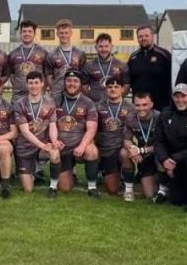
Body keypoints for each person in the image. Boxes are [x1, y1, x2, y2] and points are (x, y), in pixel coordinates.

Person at [154, 83, 187, 210]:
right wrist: (164, 159)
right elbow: (159, 140)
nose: (180, 100)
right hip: (171, 159)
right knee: (176, 201)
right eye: (176, 96)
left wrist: (175, 159)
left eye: (183, 96)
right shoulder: (165, 113)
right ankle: (166, 188)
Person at [51, 70, 100, 198]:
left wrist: (82, 146)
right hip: (63, 148)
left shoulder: (88, 102)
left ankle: (92, 187)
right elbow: (49, 124)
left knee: (92, 150)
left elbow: (91, 129)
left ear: (80, 83)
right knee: (65, 188)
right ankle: (69, 172)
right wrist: (54, 140)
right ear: (64, 82)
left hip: (79, 147)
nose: (71, 84)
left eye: (75, 81)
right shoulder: (55, 100)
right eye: (68, 80)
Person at [13, 71, 59, 195]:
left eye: (36, 83)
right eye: (31, 83)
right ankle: (33, 170)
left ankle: (53, 188)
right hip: (25, 147)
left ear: (42, 84)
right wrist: (43, 146)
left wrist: (54, 141)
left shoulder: (50, 102)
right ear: (26, 85)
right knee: (28, 189)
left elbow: (53, 125)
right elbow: (25, 132)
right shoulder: (19, 104)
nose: (34, 86)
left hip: (42, 146)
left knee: (55, 152)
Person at [94, 76, 133, 196]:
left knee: (125, 154)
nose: (113, 89)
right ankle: (101, 170)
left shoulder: (130, 108)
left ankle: (128, 186)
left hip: (121, 147)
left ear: (122, 89)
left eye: (116, 87)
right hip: (105, 148)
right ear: (106, 89)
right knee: (112, 190)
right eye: (110, 87)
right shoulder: (98, 106)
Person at [121, 92, 161, 203]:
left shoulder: (159, 117)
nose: (141, 108)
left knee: (162, 157)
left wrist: (141, 150)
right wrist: (132, 149)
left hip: (159, 154)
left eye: (145, 104)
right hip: (144, 157)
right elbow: (126, 139)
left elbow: (162, 144)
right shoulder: (130, 117)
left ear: (151, 104)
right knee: (150, 194)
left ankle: (164, 187)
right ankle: (129, 189)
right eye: (137, 105)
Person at [127, 25, 172, 109]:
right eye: (140, 36)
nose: (143, 38)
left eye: (146, 35)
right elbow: (128, 80)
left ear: (152, 36)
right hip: (139, 107)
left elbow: (173, 78)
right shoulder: (133, 57)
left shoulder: (164, 55)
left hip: (161, 106)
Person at [47, 19, 86, 103]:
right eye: (61, 33)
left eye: (66, 33)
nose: (64, 35)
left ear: (71, 33)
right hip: (57, 94)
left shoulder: (80, 53)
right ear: (57, 34)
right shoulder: (51, 55)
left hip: (75, 93)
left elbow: (83, 75)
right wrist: (55, 89)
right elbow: (49, 77)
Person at [82, 33, 129, 104]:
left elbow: (126, 86)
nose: (103, 49)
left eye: (106, 46)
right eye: (100, 46)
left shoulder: (122, 65)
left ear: (111, 46)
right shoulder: (88, 65)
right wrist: (93, 99)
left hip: (116, 105)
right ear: (96, 47)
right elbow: (84, 87)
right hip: (95, 105)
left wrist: (116, 99)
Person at [7, 20, 47, 101]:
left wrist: (42, 91)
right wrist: (18, 86)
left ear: (34, 33)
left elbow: (47, 74)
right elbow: (11, 74)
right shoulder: (13, 54)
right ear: (20, 33)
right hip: (18, 97)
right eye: (24, 31)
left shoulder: (43, 53)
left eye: (29, 31)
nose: (27, 34)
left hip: (37, 97)